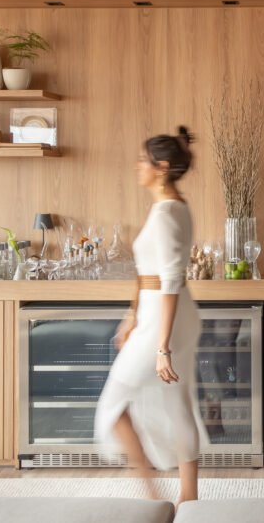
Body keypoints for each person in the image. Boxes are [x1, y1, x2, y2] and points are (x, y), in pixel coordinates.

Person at [94, 125, 205, 504]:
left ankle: (155, 495)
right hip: (159, 314)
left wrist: (161, 348)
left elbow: (170, 280)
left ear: (161, 167)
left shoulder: (167, 213)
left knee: (114, 404)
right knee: (178, 404)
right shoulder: (171, 207)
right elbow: (147, 274)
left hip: (165, 319)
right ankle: (185, 499)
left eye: (143, 160)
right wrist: (132, 315)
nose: (137, 166)